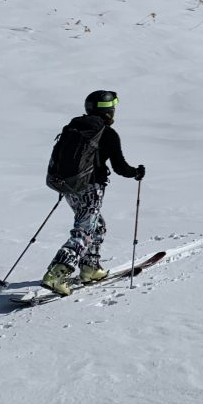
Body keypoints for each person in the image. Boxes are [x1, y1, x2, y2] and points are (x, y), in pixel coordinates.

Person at [41, 90, 146, 296]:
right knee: (84, 231)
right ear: (109, 110)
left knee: (97, 226)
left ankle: (90, 269)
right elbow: (120, 167)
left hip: (69, 187)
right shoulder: (107, 134)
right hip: (91, 188)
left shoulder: (73, 127)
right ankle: (57, 273)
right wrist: (136, 173)